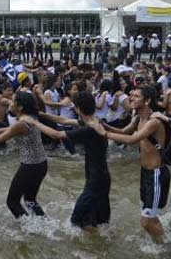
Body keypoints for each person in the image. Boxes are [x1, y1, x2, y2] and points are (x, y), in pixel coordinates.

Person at [24, 91, 111, 232]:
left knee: (76, 221)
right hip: (101, 178)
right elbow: (63, 121)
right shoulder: (95, 122)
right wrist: (40, 114)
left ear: (77, 109)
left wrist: (33, 122)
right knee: (97, 223)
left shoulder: (88, 129)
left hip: (96, 181)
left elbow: (56, 134)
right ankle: (103, 248)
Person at [97, 85, 168, 242]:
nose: (131, 98)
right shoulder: (137, 118)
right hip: (145, 173)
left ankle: (165, 246)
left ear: (148, 100)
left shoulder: (154, 122)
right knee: (149, 216)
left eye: (136, 96)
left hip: (156, 173)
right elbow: (123, 132)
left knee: (145, 221)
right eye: (132, 95)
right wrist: (102, 125)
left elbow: (131, 139)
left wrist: (104, 133)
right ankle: (163, 240)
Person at [0, 91, 48, 218]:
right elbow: (11, 130)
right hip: (41, 164)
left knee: (12, 202)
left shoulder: (21, 123)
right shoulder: (30, 117)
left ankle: (29, 228)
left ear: (20, 107)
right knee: (30, 200)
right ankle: (43, 224)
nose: (10, 104)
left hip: (30, 166)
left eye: (13, 101)